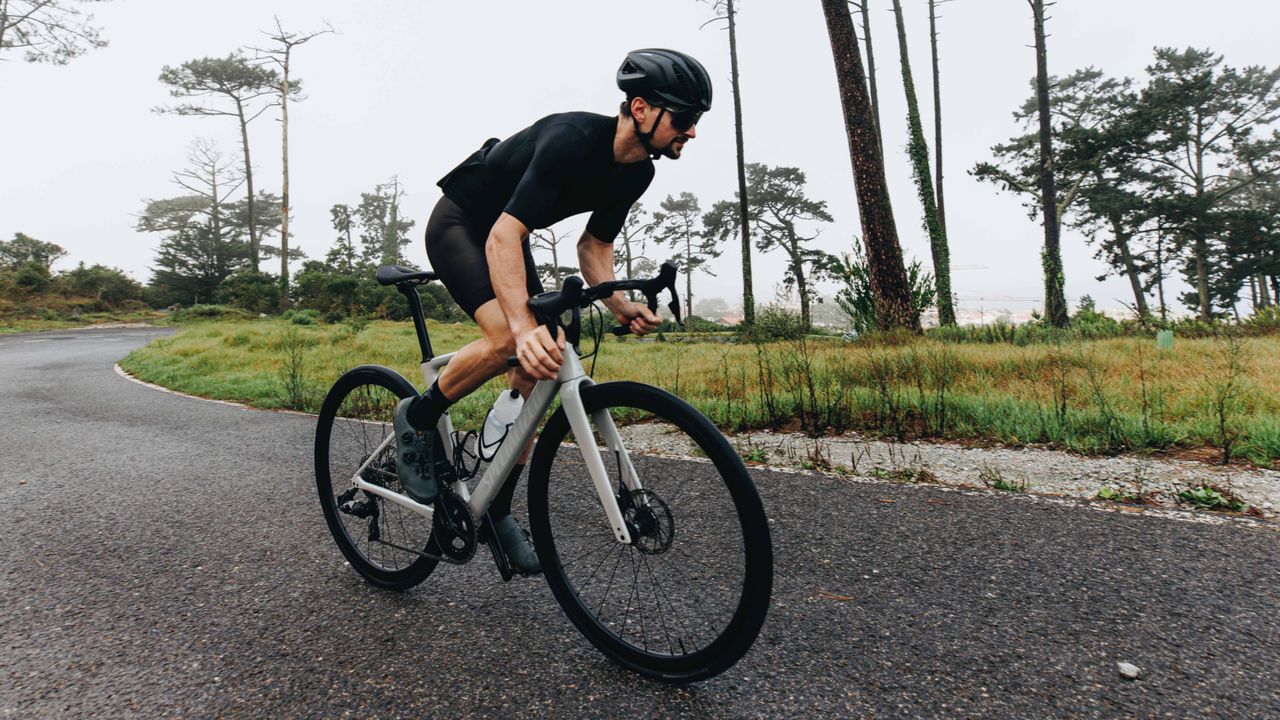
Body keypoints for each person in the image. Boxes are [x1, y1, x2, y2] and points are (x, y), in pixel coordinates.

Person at [393, 48, 713, 575]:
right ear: (640, 109)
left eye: (695, 121)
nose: (693, 132)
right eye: (684, 119)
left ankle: (494, 507)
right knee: (510, 340)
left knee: (541, 358)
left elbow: (593, 248)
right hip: (464, 225)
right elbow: (503, 234)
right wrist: (521, 326)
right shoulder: (571, 139)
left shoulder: (637, 173)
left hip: (506, 235)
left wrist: (619, 303)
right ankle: (418, 416)